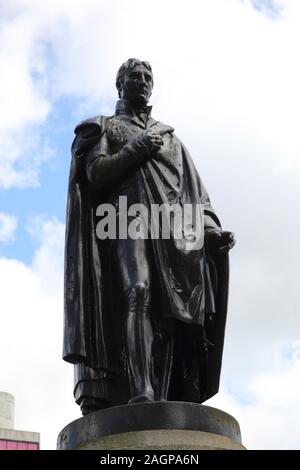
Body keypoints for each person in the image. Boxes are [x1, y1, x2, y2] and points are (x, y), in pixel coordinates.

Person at [63, 58, 235, 415]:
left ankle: (168, 386)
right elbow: (95, 174)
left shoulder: (172, 139)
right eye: (133, 77)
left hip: (173, 238)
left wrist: (212, 232)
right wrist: (136, 149)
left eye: (147, 77)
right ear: (120, 85)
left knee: (171, 314)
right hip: (125, 224)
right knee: (137, 291)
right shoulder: (105, 127)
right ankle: (141, 390)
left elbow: (195, 196)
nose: (141, 81)